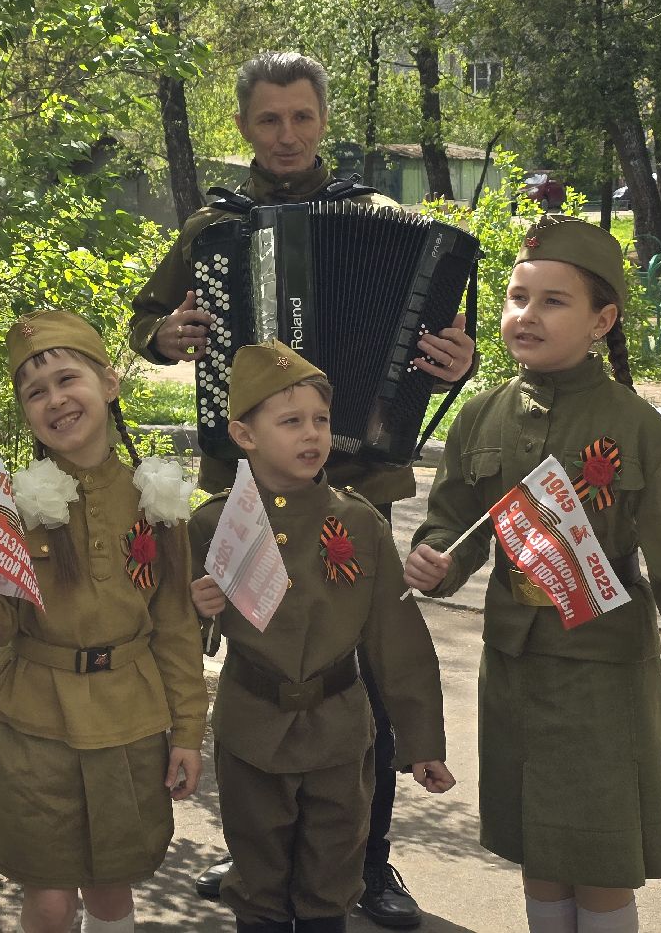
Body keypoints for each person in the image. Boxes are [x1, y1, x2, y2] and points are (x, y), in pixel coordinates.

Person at [129, 49, 476, 928]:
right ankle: (257, 851)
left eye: (302, 118)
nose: (286, 135)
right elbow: (143, 320)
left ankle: (370, 860)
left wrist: (456, 362)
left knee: (358, 669)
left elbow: (429, 353)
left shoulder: (381, 217)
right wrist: (164, 333)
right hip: (244, 486)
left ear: (323, 121)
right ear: (244, 126)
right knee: (254, 663)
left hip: (355, 485)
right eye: (268, 119)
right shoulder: (214, 229)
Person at [405, 215, 661, 933]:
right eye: (518, 297)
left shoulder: (640, 426)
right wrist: (435, 560)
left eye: (554, 301)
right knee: (541, 848)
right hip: (515, 664)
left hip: (603, 668)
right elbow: (453, 519)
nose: (527, 314)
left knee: (601, 853)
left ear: (601, 320)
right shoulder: (481, 416)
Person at [0, 309, 207, 933]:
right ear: (25, 411)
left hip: (129, 722)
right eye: (36, 392)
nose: (55, 401)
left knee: (112, 893)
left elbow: (174, 627)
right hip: (37, 727)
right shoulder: (11, 504)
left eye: (67, 379)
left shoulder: (156, 496)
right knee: (51, 900)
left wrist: (188, 731)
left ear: (109, 384)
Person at [189, 340, 453, 933]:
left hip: (338, 731)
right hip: (252, 728)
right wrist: (198, 609)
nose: (312, 435)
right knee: (257, 884)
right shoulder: (216, 525)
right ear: (244, 434)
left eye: (321, 420)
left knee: (329, 882)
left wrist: (421, 742)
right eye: (291, 422)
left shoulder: (357, 522)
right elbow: (182, 641)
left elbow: (397, 640)